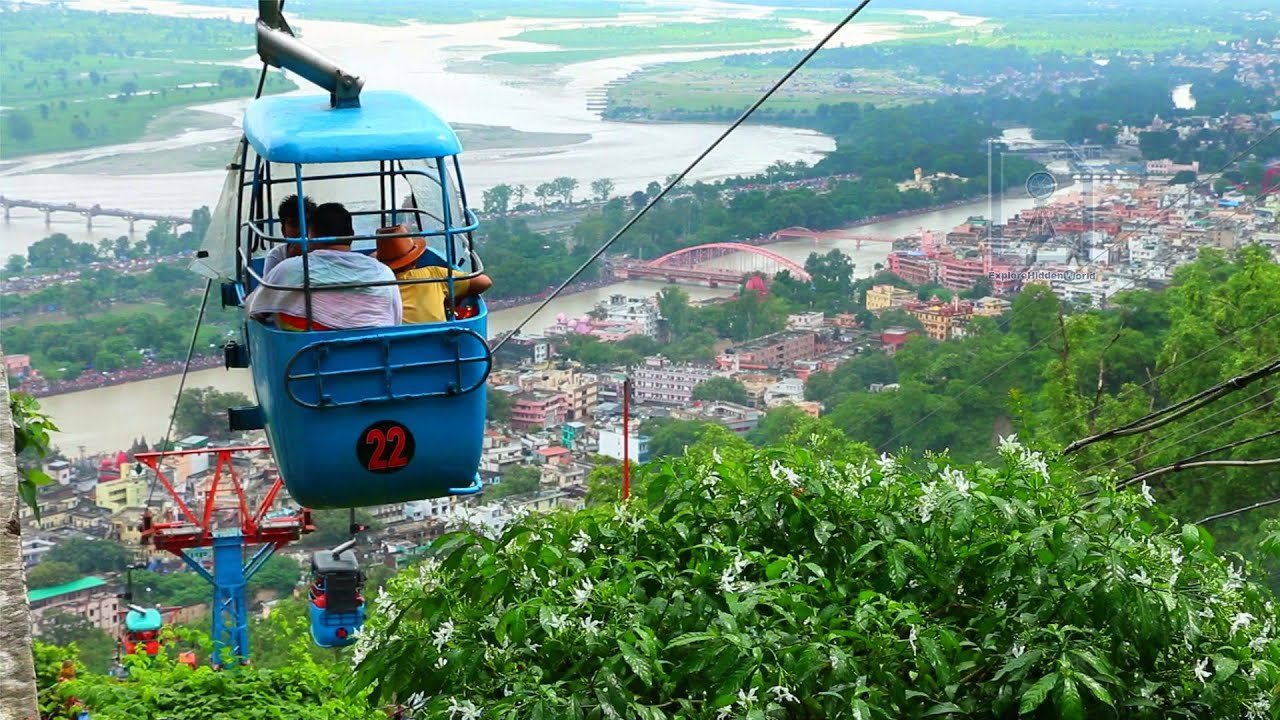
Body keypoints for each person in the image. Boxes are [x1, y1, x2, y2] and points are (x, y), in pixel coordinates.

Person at [246, 203, 402, 330]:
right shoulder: (383, 272)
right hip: (376, 354)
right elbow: (396, 320)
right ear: (352, 234)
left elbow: (255, 308)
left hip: (306, 355)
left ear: (311, 235)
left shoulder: (290, 269)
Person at [374, 224, 492, 324]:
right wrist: (454, 296)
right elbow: (484, 282)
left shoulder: (372, 285)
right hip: (439, 344)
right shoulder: (432, 275)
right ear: (414, 260)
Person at [262, 194, 318, 276]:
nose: (300, 230)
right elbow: (270, 286)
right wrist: (291, 260)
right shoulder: (277, 255)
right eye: (294, 224)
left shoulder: (321, 251)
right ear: (283, 230)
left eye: (307, 223)